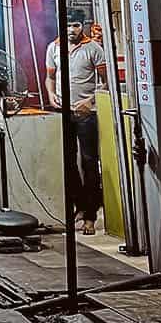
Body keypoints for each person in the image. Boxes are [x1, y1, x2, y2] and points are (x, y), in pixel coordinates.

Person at [45, 17, 107, 236]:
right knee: (68, 162)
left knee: (89, 162)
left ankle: (91, 216)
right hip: (64, 112)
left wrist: (90, 101)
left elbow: (106, 82)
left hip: (87, 115)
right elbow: (49, 77)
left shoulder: (94, 48)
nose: (71, 29)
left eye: (76, 25)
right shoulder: (53, 47)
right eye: (67, 25)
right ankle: (79, 206)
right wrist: (51, 94)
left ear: (83, 26)